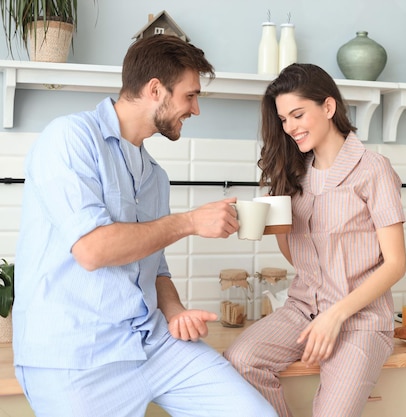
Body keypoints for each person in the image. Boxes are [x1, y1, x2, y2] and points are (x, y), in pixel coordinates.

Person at [13, 35, 277, 417]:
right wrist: (189, 222)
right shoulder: (69, 138)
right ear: (155, 89)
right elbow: (92, 250)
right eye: (190, 95)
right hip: (76, 357)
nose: (196, 109)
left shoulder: (155, 176)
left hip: (152, 343)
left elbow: (156, 269)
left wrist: (175, 312)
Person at [224, 63, 406, 417]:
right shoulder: (296, 173)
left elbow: (396, 263)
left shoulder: (373, 169)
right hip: (302, 310)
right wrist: (273, 227)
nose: (290, 127)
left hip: (360, 322)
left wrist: (335, 315)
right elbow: (304, 258)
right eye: (283, 119)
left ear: (328, 107)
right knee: (240, 359)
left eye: (297, 114)